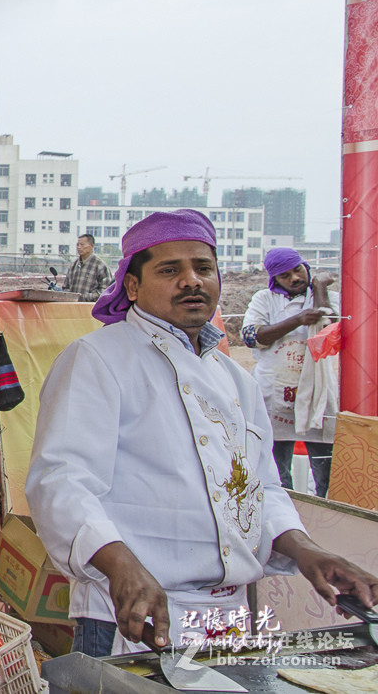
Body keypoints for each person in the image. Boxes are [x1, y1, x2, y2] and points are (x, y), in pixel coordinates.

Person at [25, 209, 377, 658]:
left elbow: (260, 489)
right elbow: (60, 481)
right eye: (170, 270)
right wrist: (120, 565)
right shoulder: (97, 359)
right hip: (138, 614)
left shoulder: (235, 379)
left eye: (203, 268)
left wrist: (309, 553)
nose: (191, 281)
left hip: (228, 620)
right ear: (132, 286)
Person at [242, 248, 340, 497]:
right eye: (285, 275)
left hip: (319, 391)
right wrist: (298, 320)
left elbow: (328, 327)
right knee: (277, 474)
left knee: (325, 473)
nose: (295, 278)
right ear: (275, 279)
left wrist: (319, 288)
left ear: (306, 266)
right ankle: (285, 525)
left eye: (298, 270)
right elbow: (252, 337)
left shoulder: (329, 297)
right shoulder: (264, 299)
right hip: (274, 394)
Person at [65, 233, 113, 301]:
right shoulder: (73, 265)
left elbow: (106, 291)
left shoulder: (101, 266)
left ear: (92, 245)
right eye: (77, 245)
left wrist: (83, 297)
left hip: (90, 308)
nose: (79, 247)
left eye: (82, 244)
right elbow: (65, 287)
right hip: (72, 307)